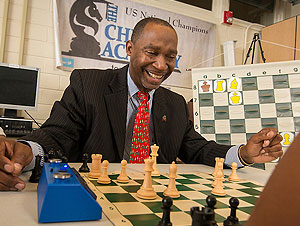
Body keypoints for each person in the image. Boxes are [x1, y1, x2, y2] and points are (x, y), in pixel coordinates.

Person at [0, 18, 283, 191]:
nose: (161, 65)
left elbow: (196, 147)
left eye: (171, 57)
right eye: (152, 52)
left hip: (155, 198)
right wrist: (23, 151)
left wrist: (244, 153)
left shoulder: (172, 104)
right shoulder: (89, 84)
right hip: (97, 196)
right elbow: (55, 134)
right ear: (129, 49)